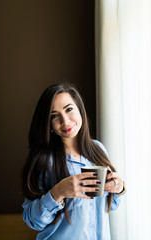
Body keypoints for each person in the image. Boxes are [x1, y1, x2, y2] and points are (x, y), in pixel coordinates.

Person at [22, 83, 126, 240]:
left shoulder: (98, 149)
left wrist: (118, 189)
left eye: (69, 109)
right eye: (54, 115)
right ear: (48, 123)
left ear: (80, 109)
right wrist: (58, 192)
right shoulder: (44, 162)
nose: (65, 121)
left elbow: (106, 206)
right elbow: (33, 221)